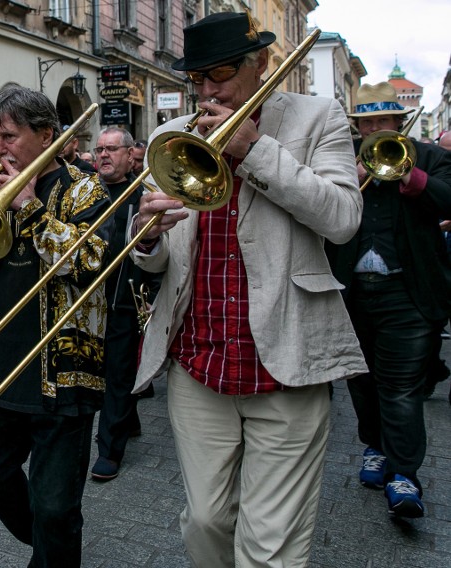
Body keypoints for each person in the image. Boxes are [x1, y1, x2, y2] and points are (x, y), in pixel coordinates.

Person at [131, 12, 366, 567]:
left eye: (219, 75)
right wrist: (145, 238)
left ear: (262, 65)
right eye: (197, 79)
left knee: (270, 546)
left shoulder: (318, 117)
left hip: (285, 358)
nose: (207, 91)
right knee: (206, 520)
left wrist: (253, 149)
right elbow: (155, 257)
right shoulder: (170, 136)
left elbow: (342, 219)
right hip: (199, 361)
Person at [0, 85, 112, 567]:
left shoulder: (84, 187)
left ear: (46, 135)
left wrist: (30, 206)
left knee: (57, 505)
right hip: (1, 366)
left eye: (8, 137)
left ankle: (51, 548)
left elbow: (90, 261)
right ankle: (47, 544)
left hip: (62, 372)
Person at [326, 82, 451, 518]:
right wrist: (346, 184)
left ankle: (405, 474)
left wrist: (412, 179)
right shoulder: (342, 160)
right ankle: (374, 448)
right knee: (360, 381)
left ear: (401, 123)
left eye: (384, 122)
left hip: (407, 292)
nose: (376, 130)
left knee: (401, 389)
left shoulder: (432, 158)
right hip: (353, 291)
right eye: (368, 124)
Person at [90, 127, 161, 482]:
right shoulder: (85, 191)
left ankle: (109, 450)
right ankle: (128, 421)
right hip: (89, 299)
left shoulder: (143, 192)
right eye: (99, 149)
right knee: (104, 371)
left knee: (117, 374)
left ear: (130, 154)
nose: (103, 155)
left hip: (125, 297)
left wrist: (152, 295)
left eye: (112, 149)